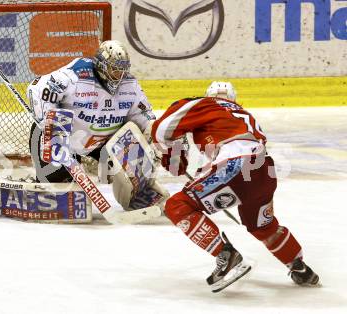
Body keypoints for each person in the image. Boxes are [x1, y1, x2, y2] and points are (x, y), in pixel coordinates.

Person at [150, 81, 319, 292]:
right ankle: (299, 266)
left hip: (235, 164)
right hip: (264, 169)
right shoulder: (242, 114)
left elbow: (161, 129)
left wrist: (170, 154)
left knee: (177, 205)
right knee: (262, 226)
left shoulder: (205, 104)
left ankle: (225, 255)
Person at [26, 40, 156, 183]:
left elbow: (143, 115)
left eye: (123, 69)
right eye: (115, 69)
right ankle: (53, 179)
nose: (120, 75)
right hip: (65, 140)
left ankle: (136, 193)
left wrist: (153, 137)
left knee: (136, 172)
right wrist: (52, 129)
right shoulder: (76, 76)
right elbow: (37, 88)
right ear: (102, 65)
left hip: (102, 143)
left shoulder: (130, 86)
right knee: (59, 186)